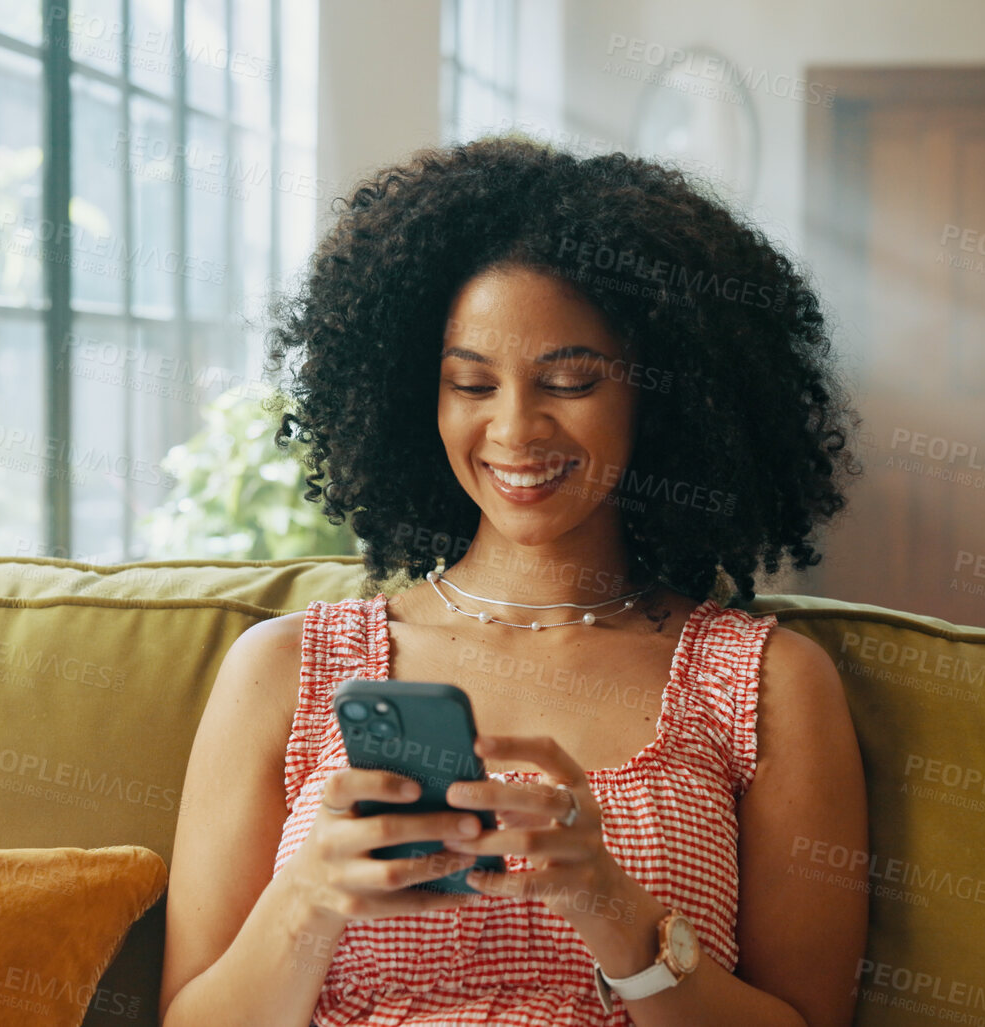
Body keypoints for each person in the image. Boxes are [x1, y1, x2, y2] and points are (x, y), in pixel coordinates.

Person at [161, 136, 869, 1027]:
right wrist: (308, 896)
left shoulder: (765, 682)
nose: (514, 429)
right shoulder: (285, 667)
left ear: (667, 396)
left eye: (568, 381)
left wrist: (612, 909)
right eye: (470, 382)